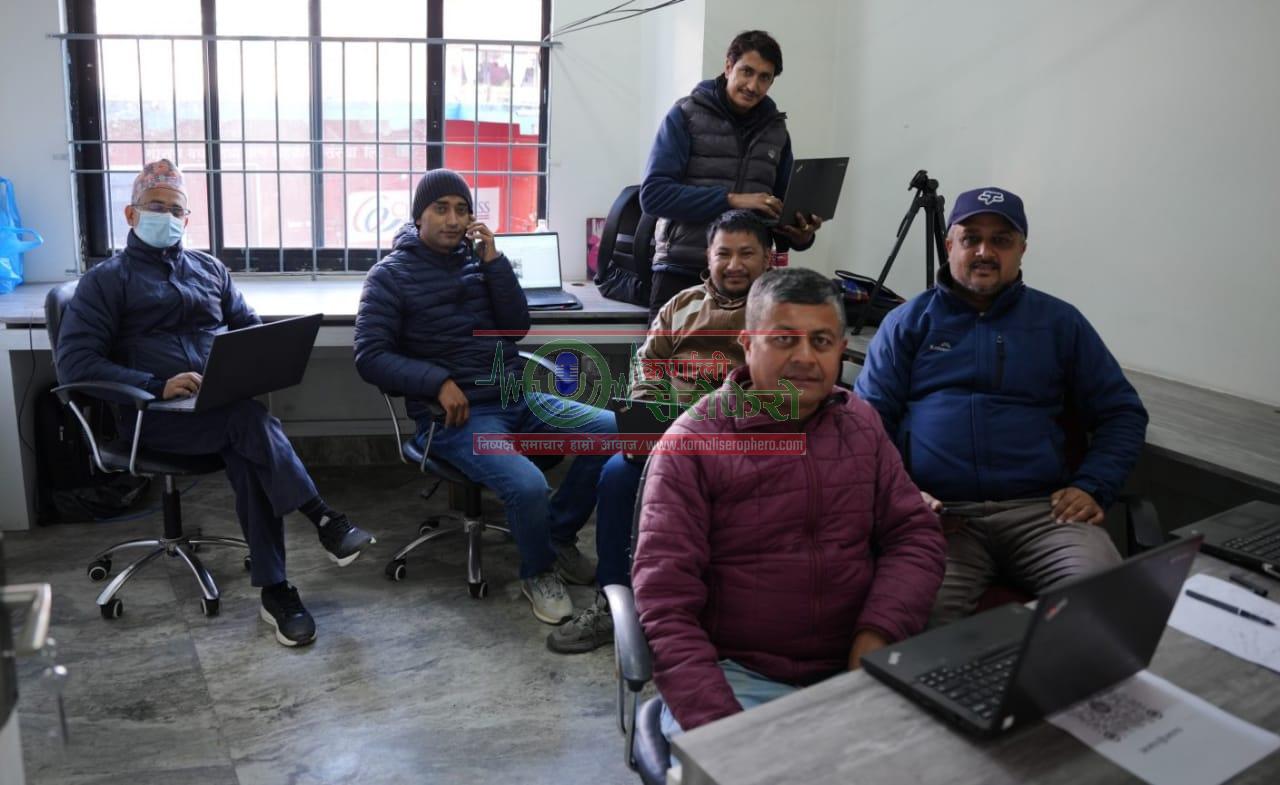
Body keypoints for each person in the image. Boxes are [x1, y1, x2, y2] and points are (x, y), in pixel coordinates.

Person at [56, 159, 375, 648]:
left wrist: (262, 358)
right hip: (151, 418)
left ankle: (276, 590)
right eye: (155, 206)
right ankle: (324, 521)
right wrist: (155, 384)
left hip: (217, 410)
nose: (166, 216)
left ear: (187, 219)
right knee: (249, 423)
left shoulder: (209, 270)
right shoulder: (107, 281)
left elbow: (250, 329)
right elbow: (75, 364)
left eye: (175, 210)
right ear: (131, 214)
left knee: (248, 446)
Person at [632, 267, 945, 741]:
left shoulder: (860, 423)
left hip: (856, 664)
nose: (804, 357)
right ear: (746, 344)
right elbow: (665, 605)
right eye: (783, 339)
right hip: (737, 677)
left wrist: (877, 635)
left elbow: (914, 534)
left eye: (821, 341)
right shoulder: (691, 445)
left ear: (842, 349)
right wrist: (724, 728)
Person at [854, 186, 1149, 626]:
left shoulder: (1060, 322)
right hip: (942, 517)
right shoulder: (907, 323)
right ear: (949, 245)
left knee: (1101, 610)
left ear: (1022, 250)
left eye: (1001, 240)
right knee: (914, 625)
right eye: (971, 238)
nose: (984, 252)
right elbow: (865, 425)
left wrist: (1093, 485)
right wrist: (902, 495)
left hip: (1043, 514)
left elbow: (1122, 413)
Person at [353, 168, 616, 625]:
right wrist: (436, 382)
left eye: (462, 209)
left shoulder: (480, 263)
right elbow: (370, 356)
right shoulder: (388, 276)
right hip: (457, 417)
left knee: (611, 429)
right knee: (528, 484)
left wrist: (495, 263)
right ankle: (538, 572)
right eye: (441, 209)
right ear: (418, 217)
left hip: (517, 397)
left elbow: (516, 328)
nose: (454, 220)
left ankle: (556, 535)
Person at [547, 209, 773, 654]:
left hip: (742, 437)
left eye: (747, 254)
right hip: (672, 430)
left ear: (768, 257)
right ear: (707, 257)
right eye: (723, 253)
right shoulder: (681, 305)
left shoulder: (778, 310)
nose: (734, 265)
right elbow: (648, 364)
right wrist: (648, 408)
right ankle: (615, 603)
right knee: (617, 475)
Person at [640, 29, 824, 320]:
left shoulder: (776, 131)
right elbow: (653, 196)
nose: (753, 85)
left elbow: (780, 208)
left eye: (764, 77)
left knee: (747, 354)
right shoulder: (685, 115)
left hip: (748, 281)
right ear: (728, 67)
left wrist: (802, 234)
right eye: (746, 71)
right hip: (681, 270)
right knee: (666, 352)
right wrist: (734, 200)